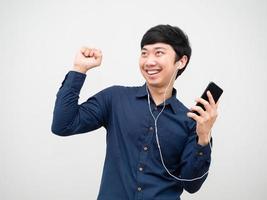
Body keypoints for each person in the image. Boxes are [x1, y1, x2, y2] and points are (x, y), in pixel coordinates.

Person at [51, 24, 219, 200]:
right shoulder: (115, 98)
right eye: (144, 53)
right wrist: (79, 69)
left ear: (181, 61)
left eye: (159, 52)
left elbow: (192, 184)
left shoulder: (192, 121)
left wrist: (203, 138)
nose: (149, 61)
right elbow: (63, 125)